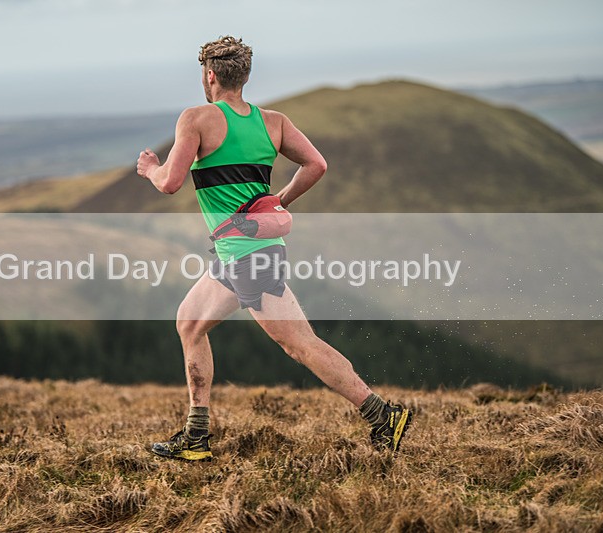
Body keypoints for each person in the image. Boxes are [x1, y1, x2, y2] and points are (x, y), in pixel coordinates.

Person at [136, 36, 411, 461]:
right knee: (190, 323)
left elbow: (170, 183)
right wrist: (278, 200)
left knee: (300, 344)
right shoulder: (273, 122)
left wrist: (152, 168)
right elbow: (316, 165)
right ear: (244, 76)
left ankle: (382, 416)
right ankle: (195, 436)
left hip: (249, 257)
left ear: (209, 76)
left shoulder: (196, 119)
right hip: (242, 253)